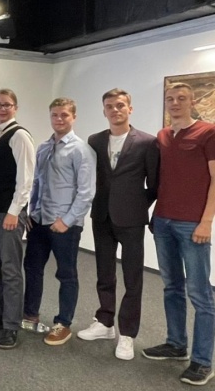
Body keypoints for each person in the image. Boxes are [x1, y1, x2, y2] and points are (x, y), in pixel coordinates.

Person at [142, 83, 215, 386]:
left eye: (181, 98)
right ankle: (176, 344)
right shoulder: (162, 136)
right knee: (171, 287)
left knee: (200, 294)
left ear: (192, 101)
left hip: (192, 224)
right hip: (163, 221)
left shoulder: (208, 132)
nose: (175, 102)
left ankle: (203, 361)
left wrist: (206, 221)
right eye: (170, 98)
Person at [78, 89, 158, 361]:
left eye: (120, 105)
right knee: (104, 273)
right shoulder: (95, 140)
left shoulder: (147, 142)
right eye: (110, 106)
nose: (115, 110)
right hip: (101, 216)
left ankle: (127, 334)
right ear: (104, 111)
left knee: (133, 278)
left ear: (130, 109)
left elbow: (154, 184)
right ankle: (105, 322)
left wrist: (136, 205)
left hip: (131, 220)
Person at [23, 97, 96, 346]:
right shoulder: (43, 147)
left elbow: (86, 192)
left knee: (66, 274)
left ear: (73, 117)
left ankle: (63, 323)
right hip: (39, 220)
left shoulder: (81, 150)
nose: (59, 119)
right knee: (32, 268)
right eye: (55, 114)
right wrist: (31, 211)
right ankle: (30, 315)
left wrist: (67, 220)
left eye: (64, 114)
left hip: (65, 224)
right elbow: (36, 183)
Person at [0, 89, 35, 349]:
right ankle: (4, 314)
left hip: (9, 214)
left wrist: (14, 211)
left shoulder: (19, 135)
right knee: (0, 266)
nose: (2, 108)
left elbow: (26, 179)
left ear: (15, 107)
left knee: (11, 270)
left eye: (7, 104)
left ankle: (11, 326)